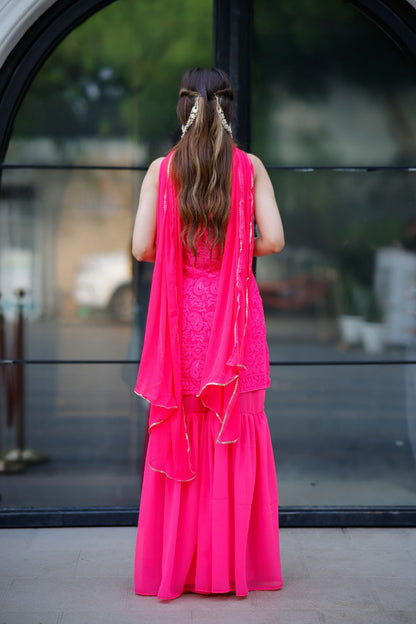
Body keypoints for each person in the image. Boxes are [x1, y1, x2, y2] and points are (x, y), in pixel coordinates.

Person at [131, 67, 285, 600]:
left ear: (183, 109)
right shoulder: (250, 168)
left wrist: (185, 255)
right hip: (237, 318)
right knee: (234, 430)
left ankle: (182, 566)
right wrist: (237, 253)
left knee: (187, 429)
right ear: (227, 108)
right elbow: (276, 241)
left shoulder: (162, 169)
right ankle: (229, 566)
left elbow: (141, 248)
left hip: (181, 321)